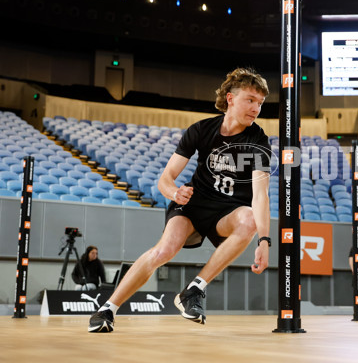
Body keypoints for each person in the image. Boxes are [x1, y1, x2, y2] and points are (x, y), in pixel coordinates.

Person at [88, 68, 272, 332]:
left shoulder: (258, 141)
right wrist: (175, 192)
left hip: (227, 212)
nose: (256, 108)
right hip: (193, 204)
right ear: (230, 98)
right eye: (250, 100)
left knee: (249, 220)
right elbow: (165, 179)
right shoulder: (201, 130)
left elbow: (260, 195)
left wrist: (264, 241)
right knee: (163, 251)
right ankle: (108, 309)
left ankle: (194, 289)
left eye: (260, 103)